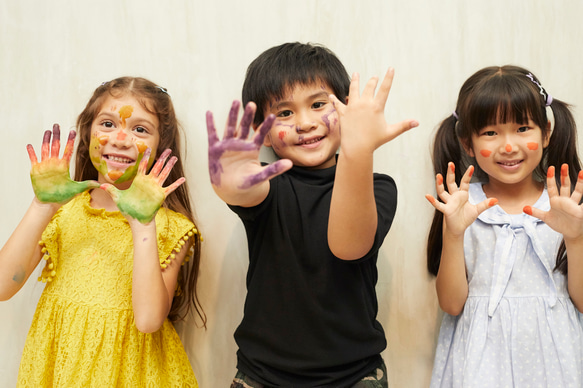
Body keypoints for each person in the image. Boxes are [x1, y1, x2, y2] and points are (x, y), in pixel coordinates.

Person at [206, 42, 418, 387]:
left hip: (354, 375)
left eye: (319, 105)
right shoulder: (267, 182)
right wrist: (229, 182)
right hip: (262, 375)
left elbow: (348, 246)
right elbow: (243, 190)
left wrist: (358, 149)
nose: (304, 123)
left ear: (346, 109)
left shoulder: (378, 187)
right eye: (284, 113)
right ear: (266, 132)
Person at [0, 77, 203, 387]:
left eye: (140, 129)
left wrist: (143, 225)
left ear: (161, 146)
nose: (120, 139)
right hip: (61, 371)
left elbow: (148, 321)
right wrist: (42, 206)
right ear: (88, 133)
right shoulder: (63, 211)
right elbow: (3, 286)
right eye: (107, 123)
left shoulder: (169, 227)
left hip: (132, 374)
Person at [425, 65, 583, 387]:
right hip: (482, 361)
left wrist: (575, 237)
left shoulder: (565, 206)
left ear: (546, 132)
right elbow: (452, 305)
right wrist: (453, 232)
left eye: (523, 128)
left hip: (557, 358)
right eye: (490, 133)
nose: (508, 146)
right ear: (468, 144)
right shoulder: (462, 207)